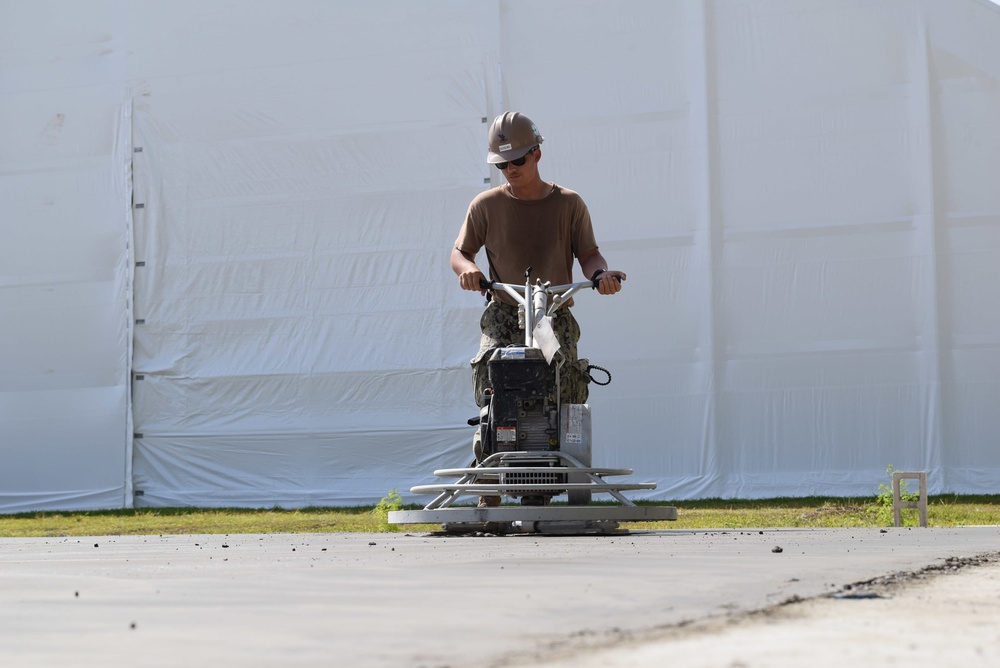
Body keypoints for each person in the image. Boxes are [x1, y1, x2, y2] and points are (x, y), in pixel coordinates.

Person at [450, 112, 626, 507]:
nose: (510, 170)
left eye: (518, 161)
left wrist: (601, 276)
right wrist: (469, 271)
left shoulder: (569, 203)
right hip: (504, 311)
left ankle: (554, 486)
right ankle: (490, 492)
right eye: (502, 164)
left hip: (555, 312)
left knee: (565, 395)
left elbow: (589, 254)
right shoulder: (485, 205)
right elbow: (460, 252)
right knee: (494, 391)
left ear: (537, 154)